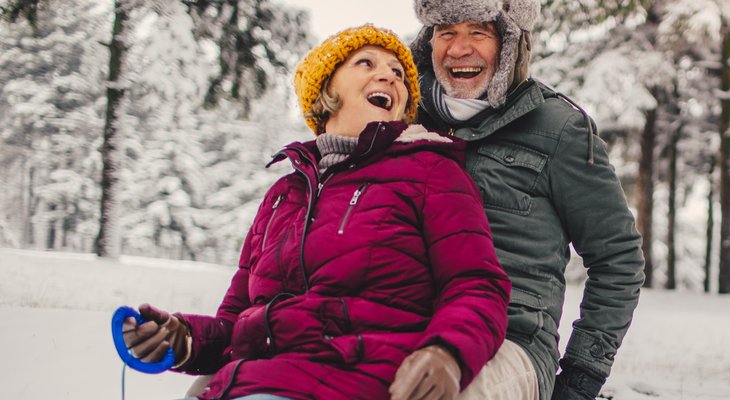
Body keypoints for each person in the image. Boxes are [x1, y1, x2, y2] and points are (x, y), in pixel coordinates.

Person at [119, 24, 511, 400]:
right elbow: (238, 323)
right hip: (249, 384)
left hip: (358, 382)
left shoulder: (430, 172)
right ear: (327, 88)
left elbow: (476, 285)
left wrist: (447, 353)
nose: (390, 77)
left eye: (398, 74)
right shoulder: (283, 195)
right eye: (366, 64)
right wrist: (182, 338)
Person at [406, 1, 646, 399]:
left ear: (510, 43)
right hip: (406, 325)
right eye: (446, 32)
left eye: (478, 32)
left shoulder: (559, 129)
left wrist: (581, 377)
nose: (459, 48)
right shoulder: (406, 122)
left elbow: (618, 258)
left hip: (510, 340)